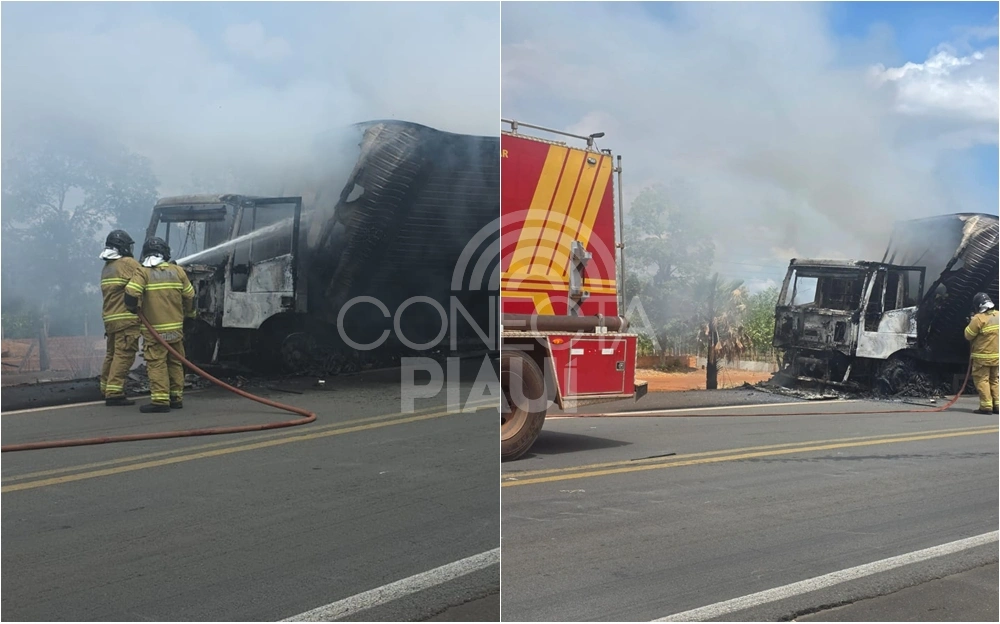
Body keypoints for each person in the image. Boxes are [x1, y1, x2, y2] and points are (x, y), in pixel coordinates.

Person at [124, 237, 195, 413]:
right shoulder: (178, 271)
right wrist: (190, 315)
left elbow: (131, 293)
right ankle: (176, 398)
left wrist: (133, 308)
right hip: (176, 330)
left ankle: (160, 401)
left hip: (154, 331)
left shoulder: (143, 272)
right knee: (175, 362)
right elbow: (190, 297)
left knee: (157, 363)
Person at [99, 230, 142, 406]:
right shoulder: (127, 263)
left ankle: (106, 387)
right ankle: (114, 392)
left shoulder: (108, 266)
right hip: (126, 320)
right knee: (124, 355)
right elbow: (145, 277)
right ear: (123, 247)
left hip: (111, 319)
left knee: (111, 355)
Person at [964, 292, 999, 415]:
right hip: (997, 357)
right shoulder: (998, 315)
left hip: (982, 358)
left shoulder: (979, 319)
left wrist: (971, 321)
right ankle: (997, 405)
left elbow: (968, 335)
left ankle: (986, 406)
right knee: (994, 380)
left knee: (982, 380)